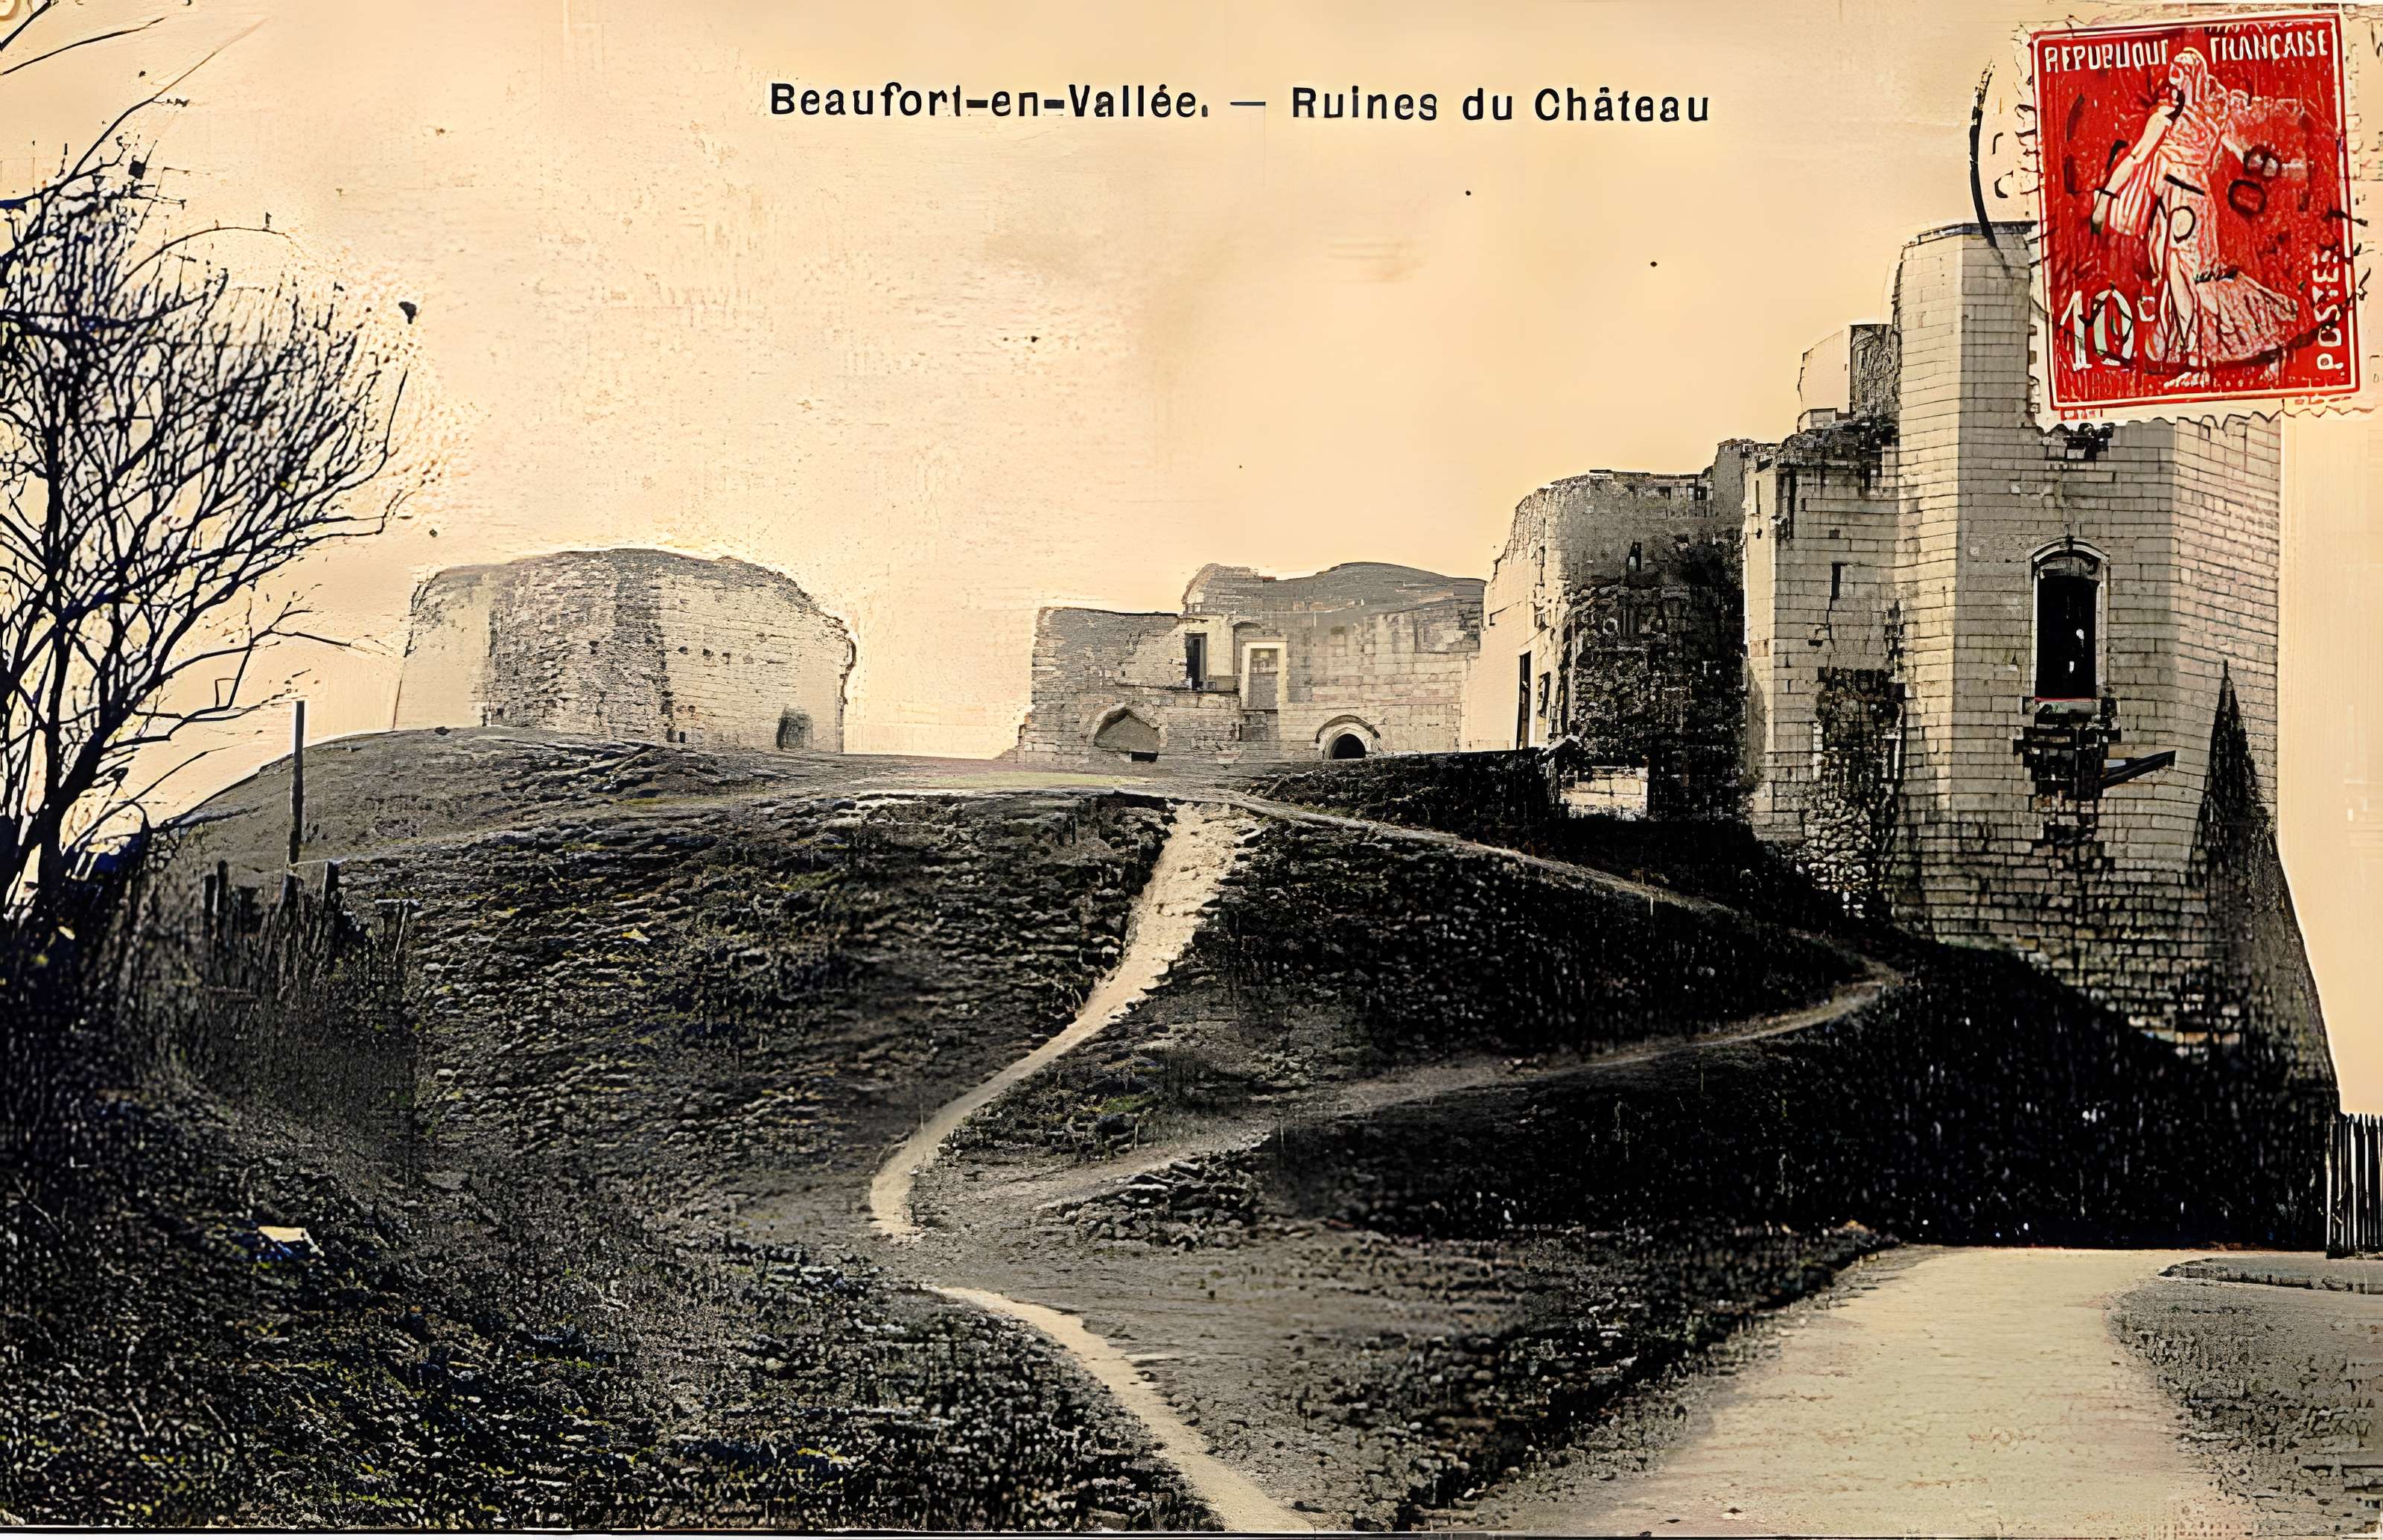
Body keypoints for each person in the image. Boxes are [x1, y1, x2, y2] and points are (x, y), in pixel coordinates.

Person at [2090, 48, 2306, 384]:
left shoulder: (2198, 120)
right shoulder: (2170, 118)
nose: (2172, 78)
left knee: (2191, 282)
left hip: (2187, 206)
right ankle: (2198, 359)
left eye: (2180, 71)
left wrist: (2285, 170)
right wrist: (2107, 195)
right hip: (2174, 205)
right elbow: (2135, 159)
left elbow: (2243, 157)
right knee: (2184, 282)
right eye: (2173, 71)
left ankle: (2201, 362)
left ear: (2192, 76)